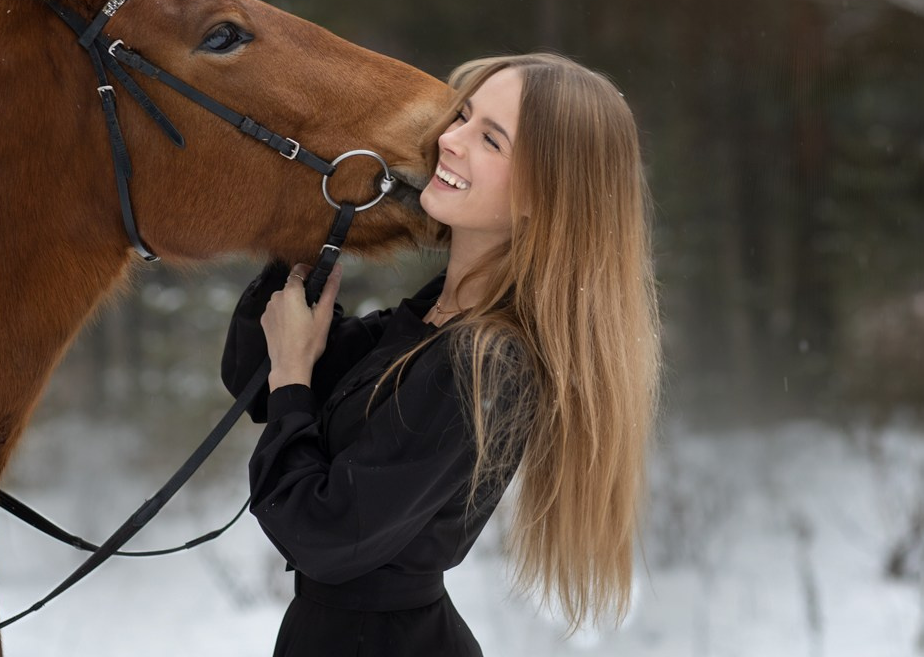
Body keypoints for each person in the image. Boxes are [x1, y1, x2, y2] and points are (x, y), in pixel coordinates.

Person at [221, 53, 661, 656]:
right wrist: (308, 216)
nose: (449, 141)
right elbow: (253, 375)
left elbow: (323, 533)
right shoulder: (433, 321)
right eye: (463, 117)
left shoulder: (485, 361)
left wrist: (294, 375)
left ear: (545, 194)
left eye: (491, 140)